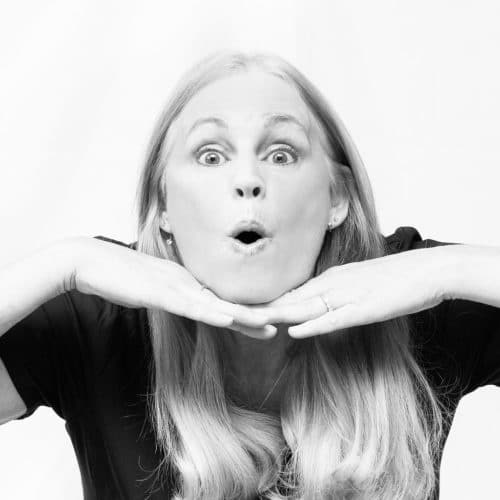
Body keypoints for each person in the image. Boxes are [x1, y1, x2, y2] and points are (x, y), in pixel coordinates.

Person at [1, 50, 499, 500]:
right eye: (211, 155)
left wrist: (454, 268)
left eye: (281, 154)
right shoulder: (103, 320)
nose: (246, 180)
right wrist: (63, 264)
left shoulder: (413, 295)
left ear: (337, 199)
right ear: (164, 205)